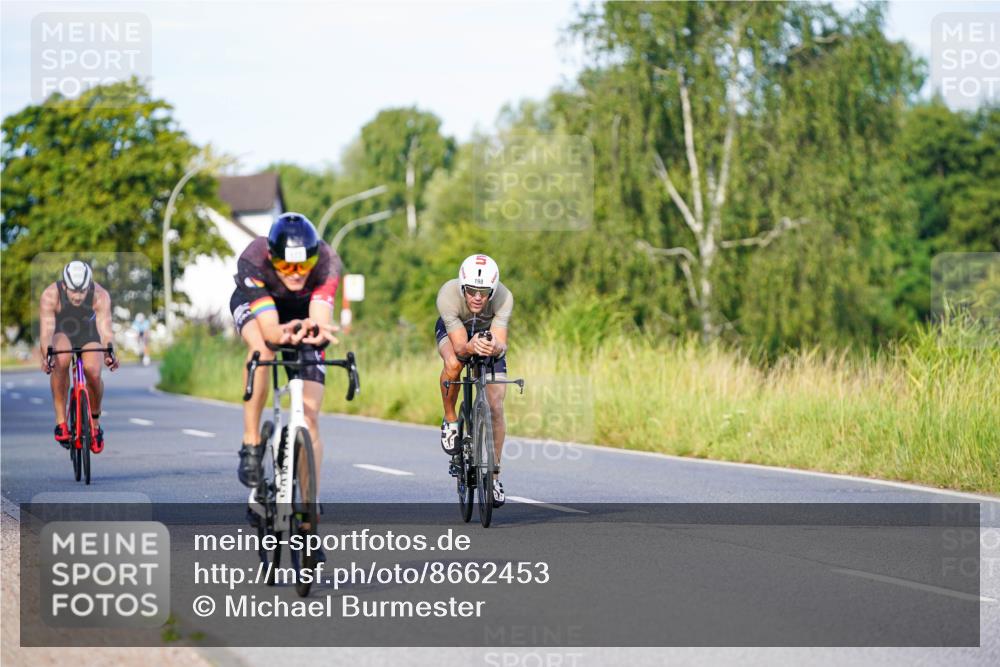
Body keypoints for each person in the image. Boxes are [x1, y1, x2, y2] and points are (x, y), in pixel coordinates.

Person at [229, 213, 341, 497]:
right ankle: (251, 440)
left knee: (311, 419)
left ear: (314, 259)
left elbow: (318, 319)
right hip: (258, 306)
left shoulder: (327, 262)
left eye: (303, 265)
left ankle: (308, 509)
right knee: (262, 349)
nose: (294, 272)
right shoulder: (253, 259)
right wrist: (284, 333)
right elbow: (270, 332)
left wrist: (312, 330)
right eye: (284, 264)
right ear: (271, 257)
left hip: (300, 312)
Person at [436, 254, 513, 507]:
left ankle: (494, 476)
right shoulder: (448, 295)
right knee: (455, 364)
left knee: (496, 404)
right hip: (456, 331)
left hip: (487, 334)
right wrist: (470, 346)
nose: (478, 297)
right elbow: (460, 347)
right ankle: (450, 420)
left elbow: (501, 341)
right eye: (471, 291)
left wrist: (494, 348)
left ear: (493, 290)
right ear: (462, 287)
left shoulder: (504, 297)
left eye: (484, 292)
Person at [38, 260, 119, 451]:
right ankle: (61, 422)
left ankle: (95, 423)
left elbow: (106, 332)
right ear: (64, 285)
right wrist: (47, 356)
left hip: (88, 332)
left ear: (89, 285)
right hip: (61, 331)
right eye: (73, 291)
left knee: (93, 371)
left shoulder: (100, 295)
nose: (77, 296)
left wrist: (109, 352)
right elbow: (46, 334)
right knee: (62, 359)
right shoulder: (50, 295)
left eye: (82, 291)